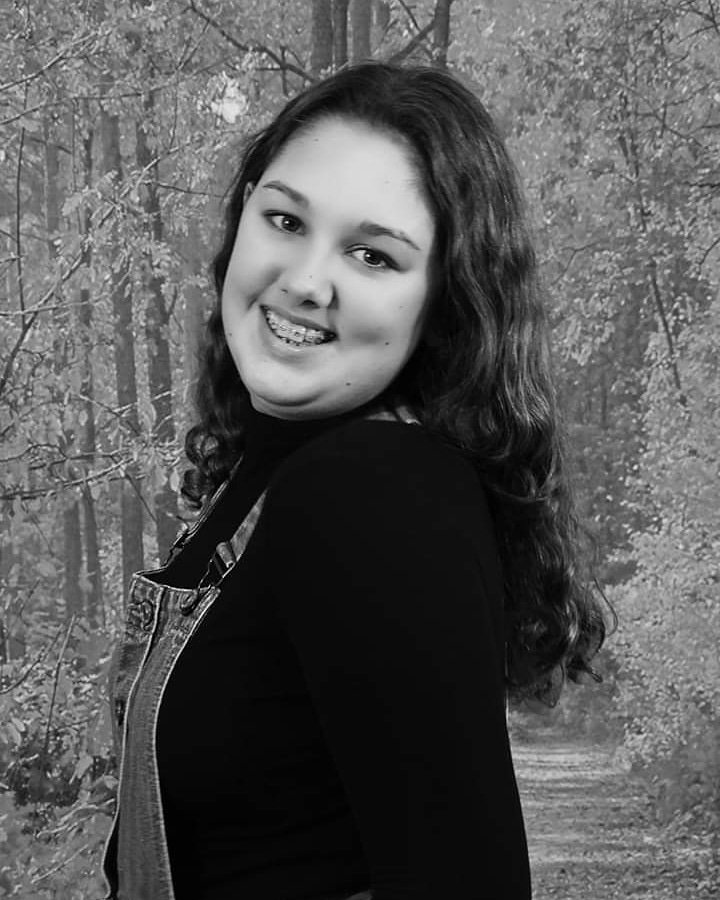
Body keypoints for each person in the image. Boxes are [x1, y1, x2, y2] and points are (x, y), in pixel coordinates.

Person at [102, 62, 608, 900]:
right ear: (241, 225)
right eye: (285, 220)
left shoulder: (371, 488)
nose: (305, 281)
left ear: (443, 303)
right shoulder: (268, 481)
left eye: (373, 255)